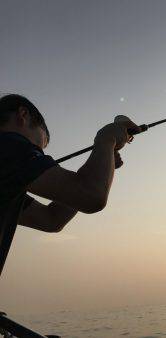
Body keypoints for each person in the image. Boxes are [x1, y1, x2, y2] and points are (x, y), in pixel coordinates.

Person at [0, 94, 141, 276]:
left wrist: (103, 160)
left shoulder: (8, 189)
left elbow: (52, 219)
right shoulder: (8, 145)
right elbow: (91, 196)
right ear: (23, 115)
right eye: (38, 147)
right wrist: (106, 139)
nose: (38, 153)